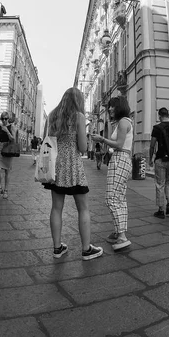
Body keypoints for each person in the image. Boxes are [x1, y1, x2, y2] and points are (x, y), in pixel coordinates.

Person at [43, 87, 103, 261]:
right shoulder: (78, 117)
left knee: (56, 208)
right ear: (78, 101)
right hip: (73, 166)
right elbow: (83, 148)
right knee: (83, 208)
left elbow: (48, 140)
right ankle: (86, 249)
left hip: (56, 165)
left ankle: (57, 248)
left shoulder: (52, 116)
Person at [92, 96, 133, 251]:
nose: (109, 109)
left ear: (120, 107)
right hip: (123, 159)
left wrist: (102, 139)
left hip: (120, 159)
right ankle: (118, 231)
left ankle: (122, 236)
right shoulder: (125, 122)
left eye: (113, 106)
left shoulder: (123, 122)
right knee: (120, 198)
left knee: (111, 198)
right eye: (109, 106)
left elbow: (119, 144)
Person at [149, 107, 169, 219]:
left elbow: (152, 145)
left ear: (160, 116)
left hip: (161, 160)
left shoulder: (157, 128)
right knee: (168, 182)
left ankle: (161, 210)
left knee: (160, 184)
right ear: (168, 115)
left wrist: (150, 158)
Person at [0, 112, 15, 199]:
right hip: (1, 149)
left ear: (8, 119)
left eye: (6, 118)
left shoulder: (11, 127)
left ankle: (6, 190)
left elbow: (13, 139)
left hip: (9, 149)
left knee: (7, 171)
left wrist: (7, 131)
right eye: (2, 119)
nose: (4, 120)